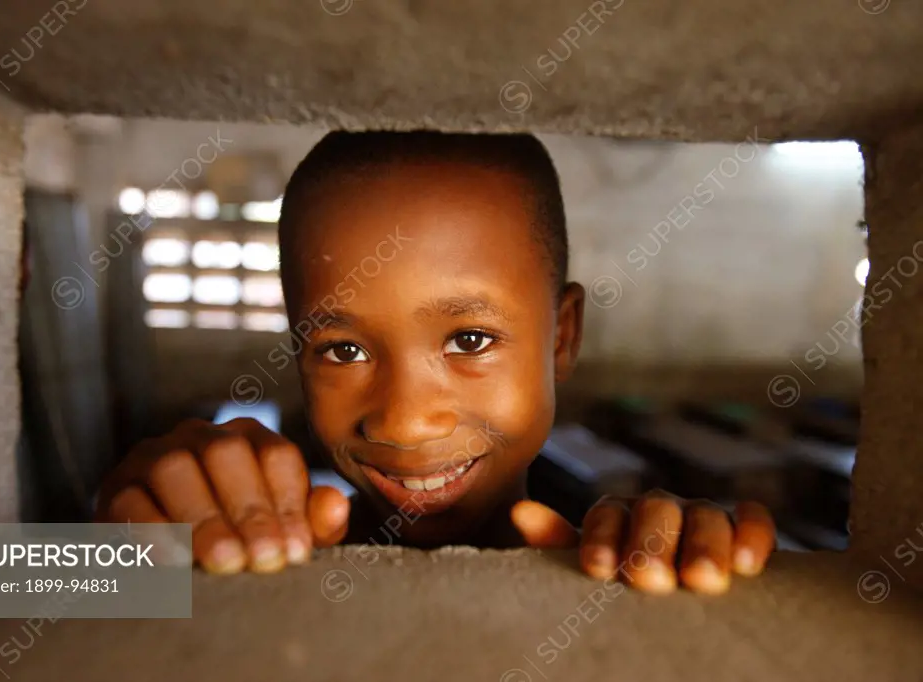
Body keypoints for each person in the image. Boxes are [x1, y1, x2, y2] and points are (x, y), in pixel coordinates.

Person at [95, 131, 775, 595]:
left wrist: (687, 567)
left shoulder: (608, 566)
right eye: (345, 349)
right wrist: (109, 553)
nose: (407, 422)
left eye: (470, 341)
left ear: (562, 337)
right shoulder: (247, 563)